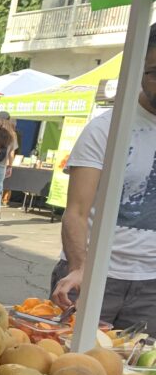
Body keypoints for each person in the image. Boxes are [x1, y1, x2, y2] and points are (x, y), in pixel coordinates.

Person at [52, 23, 156, 329]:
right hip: (96, 275)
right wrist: (81, 268)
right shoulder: (105, 129)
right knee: (75, 368)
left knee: (137, 373)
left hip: (150, 286)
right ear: (139, 69)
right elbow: (76, 212)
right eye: (154, 71)